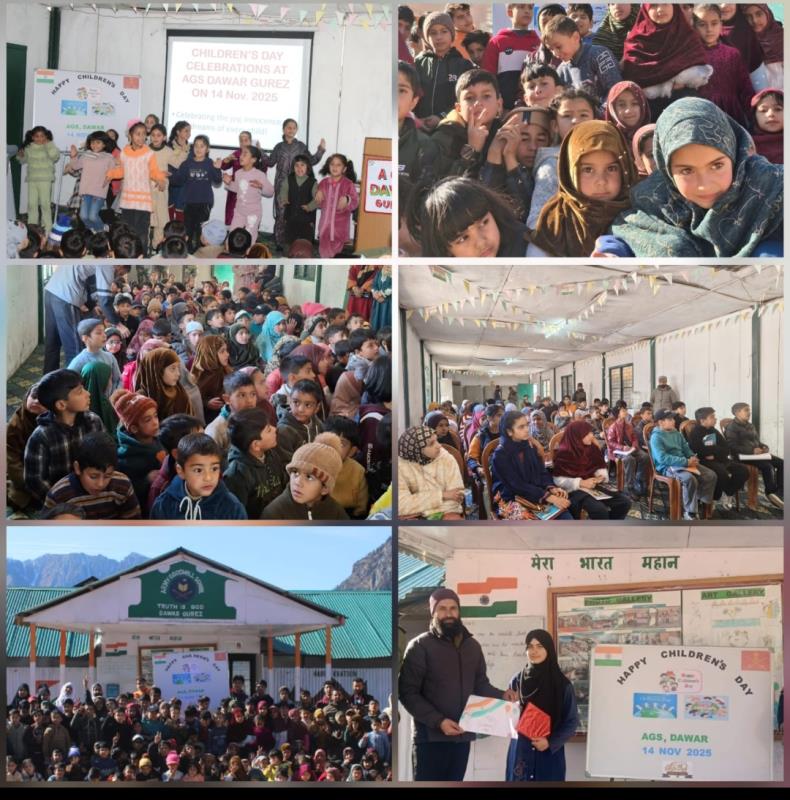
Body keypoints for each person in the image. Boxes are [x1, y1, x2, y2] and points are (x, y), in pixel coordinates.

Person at [609, 96, 783, 257]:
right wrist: (612, 249)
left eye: (717, 165)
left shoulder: (771, 187)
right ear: (666, 169)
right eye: (686, 171)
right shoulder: (654, 200)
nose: (704, 185)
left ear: (734, 155)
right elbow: (627, 232)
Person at [399, 588, 516, 781]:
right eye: (442, 608)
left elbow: (480, 685)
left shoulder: (473, 647)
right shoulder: (420, 647)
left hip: (462, 737)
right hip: (430, 740)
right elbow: (407, 693)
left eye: (453, 608)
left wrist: (502, 695)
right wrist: (439, 722)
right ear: (433, 612)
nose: (449, 613)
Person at [530, 120, 636, 257]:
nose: (601, 181)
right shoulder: (555, 222)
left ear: (624, 168)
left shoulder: (642, 214)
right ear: (570, 172)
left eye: (611, 168)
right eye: (588, 170)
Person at [506, 629, 578, 781]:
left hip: (548, 754)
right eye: (530, 646)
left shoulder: (562, 685)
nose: (534, 651)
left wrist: (550, 742)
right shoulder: (517, 681)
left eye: (539, 646)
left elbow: (571, 722)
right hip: (521, 751)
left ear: (548, 649)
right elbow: (508, 716)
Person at [489, 410, 573, 520]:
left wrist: (551, 488)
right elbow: (516, 485)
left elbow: (541, 471)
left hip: (534, 492)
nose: (527, 429)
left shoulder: (528, 446)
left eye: (527, 425)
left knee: (565, 516)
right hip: (511, 498)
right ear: (509, 431)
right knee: (533, 526)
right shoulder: (500, 455)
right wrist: (549, 497)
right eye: (521, 427)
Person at [44, 431, 140, 519]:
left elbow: (134, 524)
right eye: (93, 476)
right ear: (77, 468)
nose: (100, 484)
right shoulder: (58, 495)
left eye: (107, 476)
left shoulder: (122, 485)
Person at [150, 433, 247, 520]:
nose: (208, 478)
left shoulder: (232, 507)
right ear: (181, 471)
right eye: (198, 470)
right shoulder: (163, 505)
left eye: (214, 469)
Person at [552, 420, 632, 519]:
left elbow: (598, 467)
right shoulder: (564, 453)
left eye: (591, 432)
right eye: (588, 433)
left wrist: (600, 477)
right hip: (575, 490)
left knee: (625, 502)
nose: (592, 436)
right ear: (577, 436)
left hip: (594, 486)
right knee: (600, 510)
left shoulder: (591, 448)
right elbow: (558, 480)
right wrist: (581, 482)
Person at [266, 118, 326, 250]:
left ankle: (296, 242)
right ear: (283, 129)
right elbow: (270, 162)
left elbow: (311, 161)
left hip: (298, 186)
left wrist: (320, 150)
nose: (291, 130)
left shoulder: (301, 146)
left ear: (296, 130)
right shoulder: (278, 147)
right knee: (281, 214)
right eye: (288, 127)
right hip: (282, 185)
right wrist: (259, 151)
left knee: (296, 214)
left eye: (294, 127)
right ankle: (280, 242)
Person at [650, 409, 717, 520]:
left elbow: (686, 448)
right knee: (690, 479)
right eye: (670, 419)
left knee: (711, 475)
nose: (673, 421)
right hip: (668, 466)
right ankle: (690, 512)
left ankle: (701, 502)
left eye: (673, 419)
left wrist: (692, 457)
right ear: (661, 422)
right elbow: (662, 458)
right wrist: (685, 462)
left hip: (684, 462)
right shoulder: (656, 437)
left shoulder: (676, 433)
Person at [415, 12, 475, 125]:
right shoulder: (418, 63)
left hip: (451, 128)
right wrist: (416, 120)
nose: (439, 37)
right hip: (419, 127)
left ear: (452, 34)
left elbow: (466, 99)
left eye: (444, 31)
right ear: (426, 37)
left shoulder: (464, 65)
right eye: (433, 33)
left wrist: (441, 117)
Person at [688, 407, 750, 512]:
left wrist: (714, 453)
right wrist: (714, 450)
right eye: (712, 417)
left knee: (743, 470)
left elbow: (726, 448)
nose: (715, 419)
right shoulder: (695, 433)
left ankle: (728, 493)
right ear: (702, 420)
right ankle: (715, 498)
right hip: (704, 461)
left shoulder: (713, 430)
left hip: (719, 459)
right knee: (722, 473)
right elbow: (699, 450)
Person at [724, 402, 783, 509]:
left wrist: (763, 447)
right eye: (746, 410)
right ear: (737, 412)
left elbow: (757, 441)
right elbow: (731, 446)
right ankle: (770, 492)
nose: (749, 412)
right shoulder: (731, 427)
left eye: (749, 410)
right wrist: (752, 450)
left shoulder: (750, 425)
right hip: (742, 456)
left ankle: (780, 492)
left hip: (757, 454)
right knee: (767, 466)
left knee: (782, 463)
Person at [398, 426, 464, 519]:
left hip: (446, 513)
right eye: (431, 444)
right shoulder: (402, 466)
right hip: (413, 517)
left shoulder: (447, 459)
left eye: (436, 440)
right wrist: (442, 495)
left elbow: (456, 496)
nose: (439, 446)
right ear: (417, 450)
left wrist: (421, 507)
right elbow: (401, 504)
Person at [307, 154, 359, 258]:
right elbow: (319, 204)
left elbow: (355, 203)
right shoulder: (323, 183)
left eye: (338, 165)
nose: (335, 167)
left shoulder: (348, 184)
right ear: (328, 166)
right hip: (324, 229)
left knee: (334, 255)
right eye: (332, 164)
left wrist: (347, 199)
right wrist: (318, 194)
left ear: (344, 169)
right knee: (323, 253)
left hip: (338, 231)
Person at [16, 125, 61, 234]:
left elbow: (55, 156)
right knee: (32, 204)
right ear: (32, 137)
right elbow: (22, 160)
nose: (39, 139)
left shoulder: (50, 145)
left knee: (45, 204)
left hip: (45, 179)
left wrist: (48, 145)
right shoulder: (29, 147)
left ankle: (47, 228)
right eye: (37, 136)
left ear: (46, 136)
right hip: (32, 179)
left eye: (42, 136)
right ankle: (33, 228)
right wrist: (20, 155)